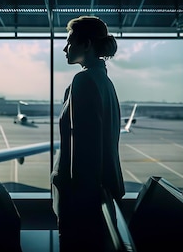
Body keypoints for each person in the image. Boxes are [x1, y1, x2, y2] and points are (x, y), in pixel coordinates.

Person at [50, 15, 126, 251]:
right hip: (97, 192)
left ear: (87, 44)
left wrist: (76, 200)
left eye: (70, 41)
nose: (65, 47)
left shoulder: (83, 81)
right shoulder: (104, 81)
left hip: (80, 198)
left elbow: (83, 148)